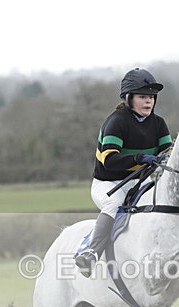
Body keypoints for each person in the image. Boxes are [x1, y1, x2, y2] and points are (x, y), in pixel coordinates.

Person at [74, 68, 173, 277]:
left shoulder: (159, 123)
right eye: (143, 97)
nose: (149, 102)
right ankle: (91, 252)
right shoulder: (116, 122)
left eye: (151, 97)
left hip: (141, 182)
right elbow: (109, 161)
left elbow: (169, 153)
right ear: (128, 99)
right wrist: (139, 159)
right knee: (113, 204)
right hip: (110, 184)